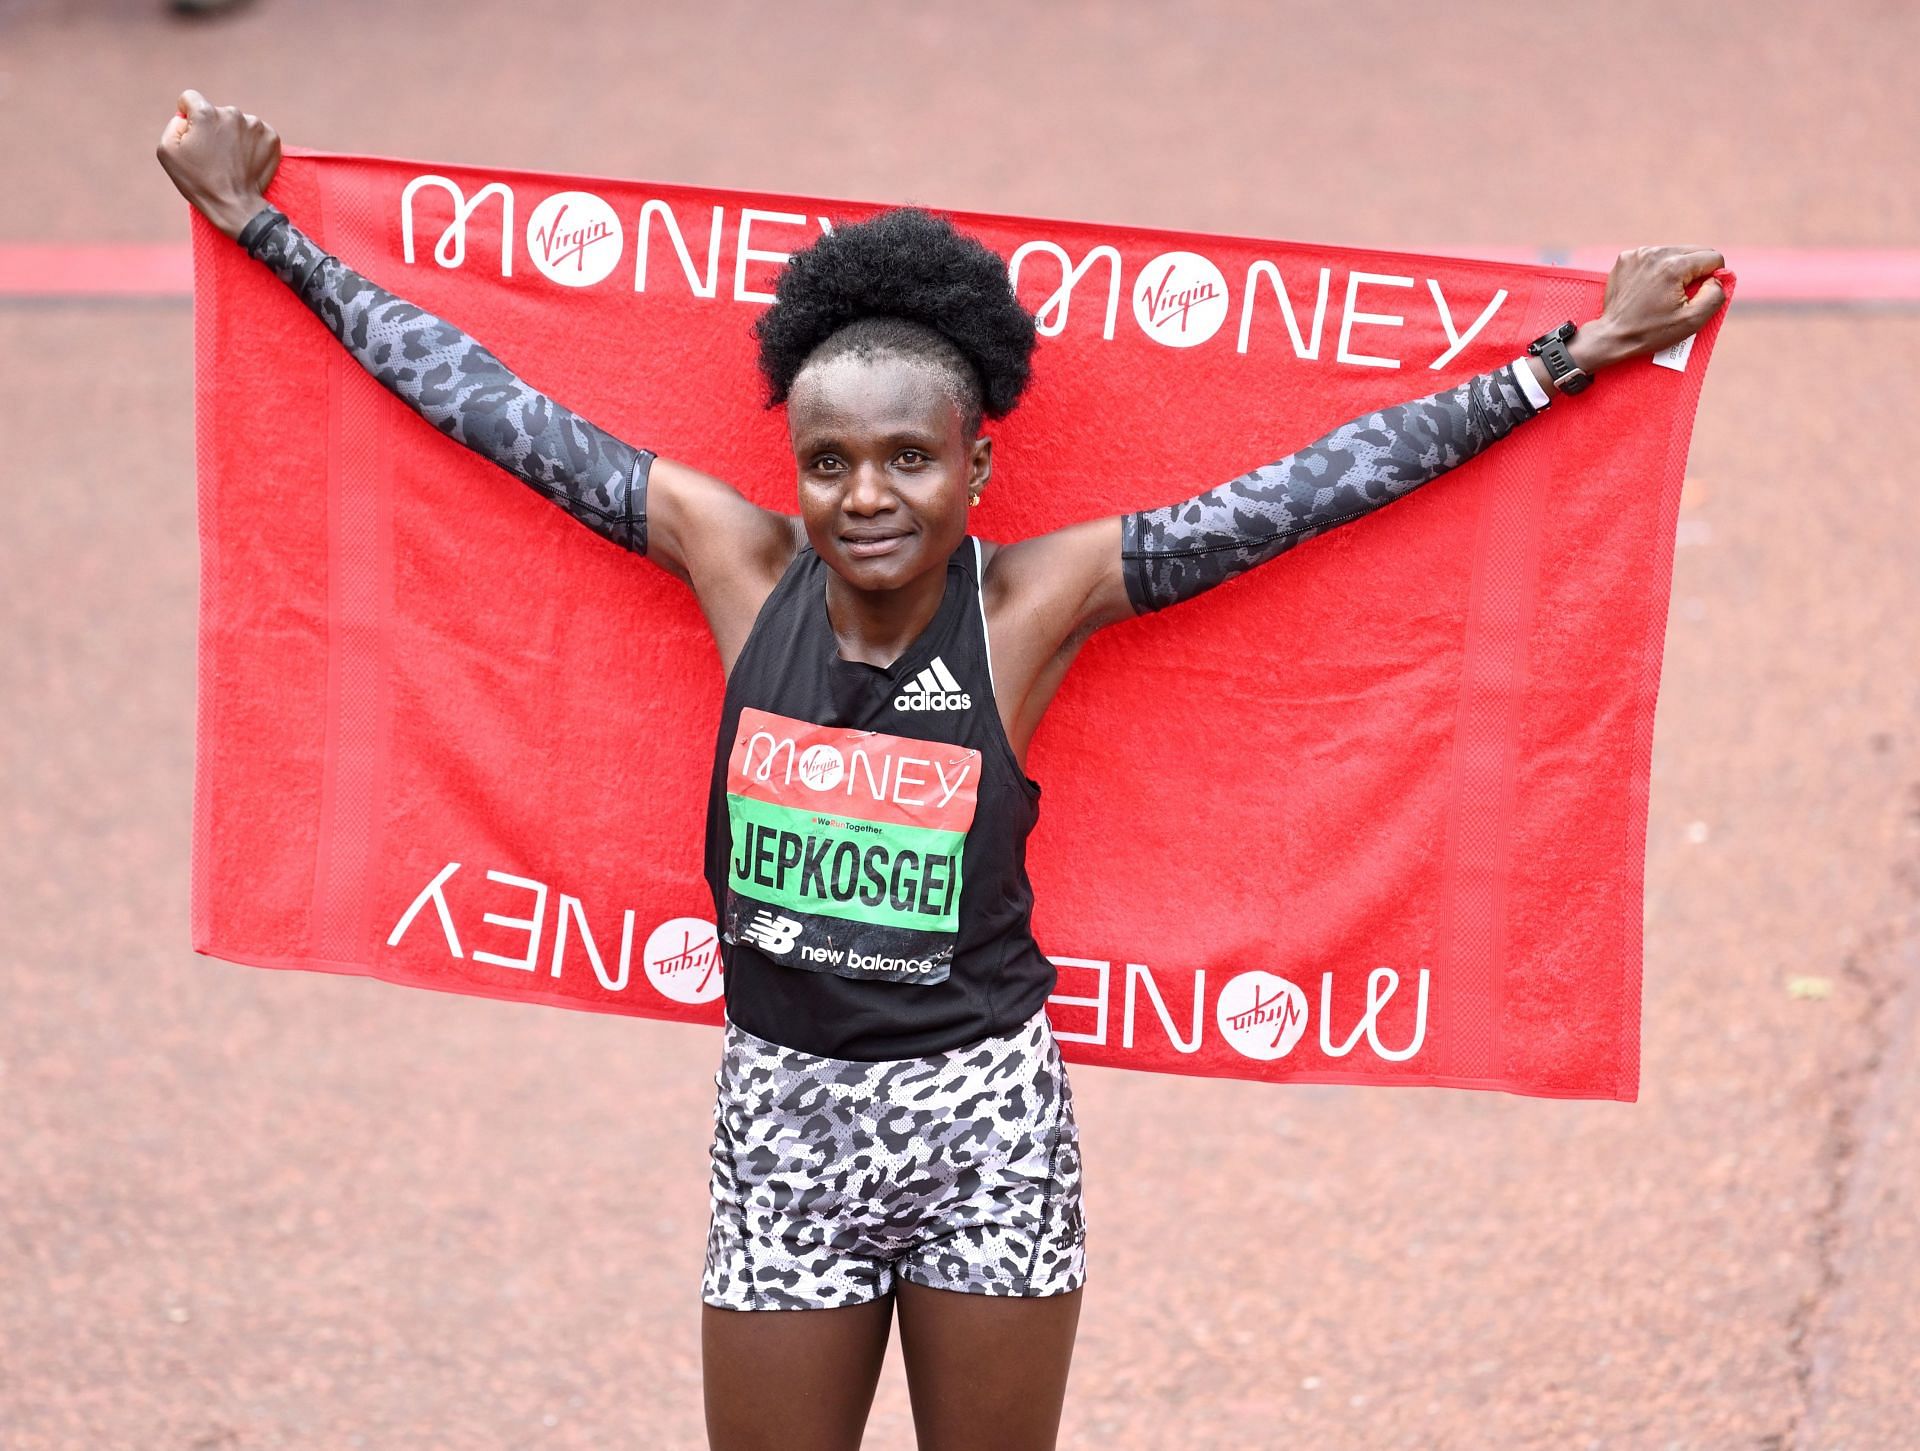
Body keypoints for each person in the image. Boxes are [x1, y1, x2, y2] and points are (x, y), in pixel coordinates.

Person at [157, 88, 1725, 1451]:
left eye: (910, 457)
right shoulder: (731, 558)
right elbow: (484, 403)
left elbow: (1303, 493)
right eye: (831, 461)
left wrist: (1567, 360)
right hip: (780, 1125)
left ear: (979, 464)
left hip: (985, 1126)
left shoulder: (1036, 603)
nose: (867, 496)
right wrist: (263, 229)